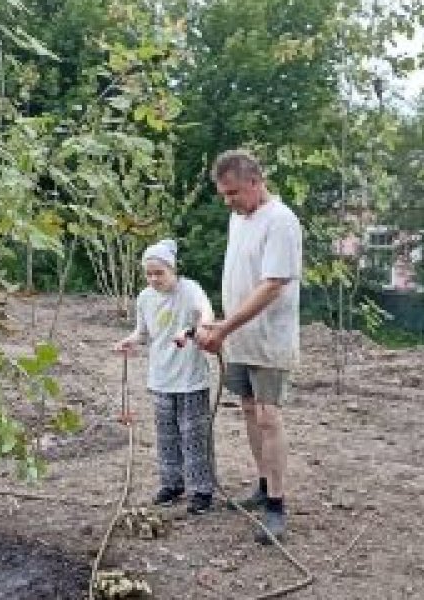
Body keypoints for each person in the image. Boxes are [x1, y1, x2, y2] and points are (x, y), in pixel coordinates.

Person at [196, 150, 302, 542]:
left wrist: (224, 327)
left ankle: (277, 505)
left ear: (256, 182)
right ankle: (262, 484)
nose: (228, 201)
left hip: (270, 339)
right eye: (224, 194)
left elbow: (272, 285)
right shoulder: (238, 220)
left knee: (269, 416)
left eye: (234, 192)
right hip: (239, 336)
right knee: (247, 409)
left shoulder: (281, 221)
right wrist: (218, 325)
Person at [114, 239, 217, 515]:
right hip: (160, 378)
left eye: (159, 273)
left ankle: (202, 491)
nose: (153, 279)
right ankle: (172, 484)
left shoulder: (190, 289)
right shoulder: (145, 297)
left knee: (194, 434)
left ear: (172, 269)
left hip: (190, 378)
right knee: (166, 435)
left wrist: (194, 329)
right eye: (149, 274)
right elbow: (143, 332)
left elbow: (206, 312)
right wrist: (130, 341)